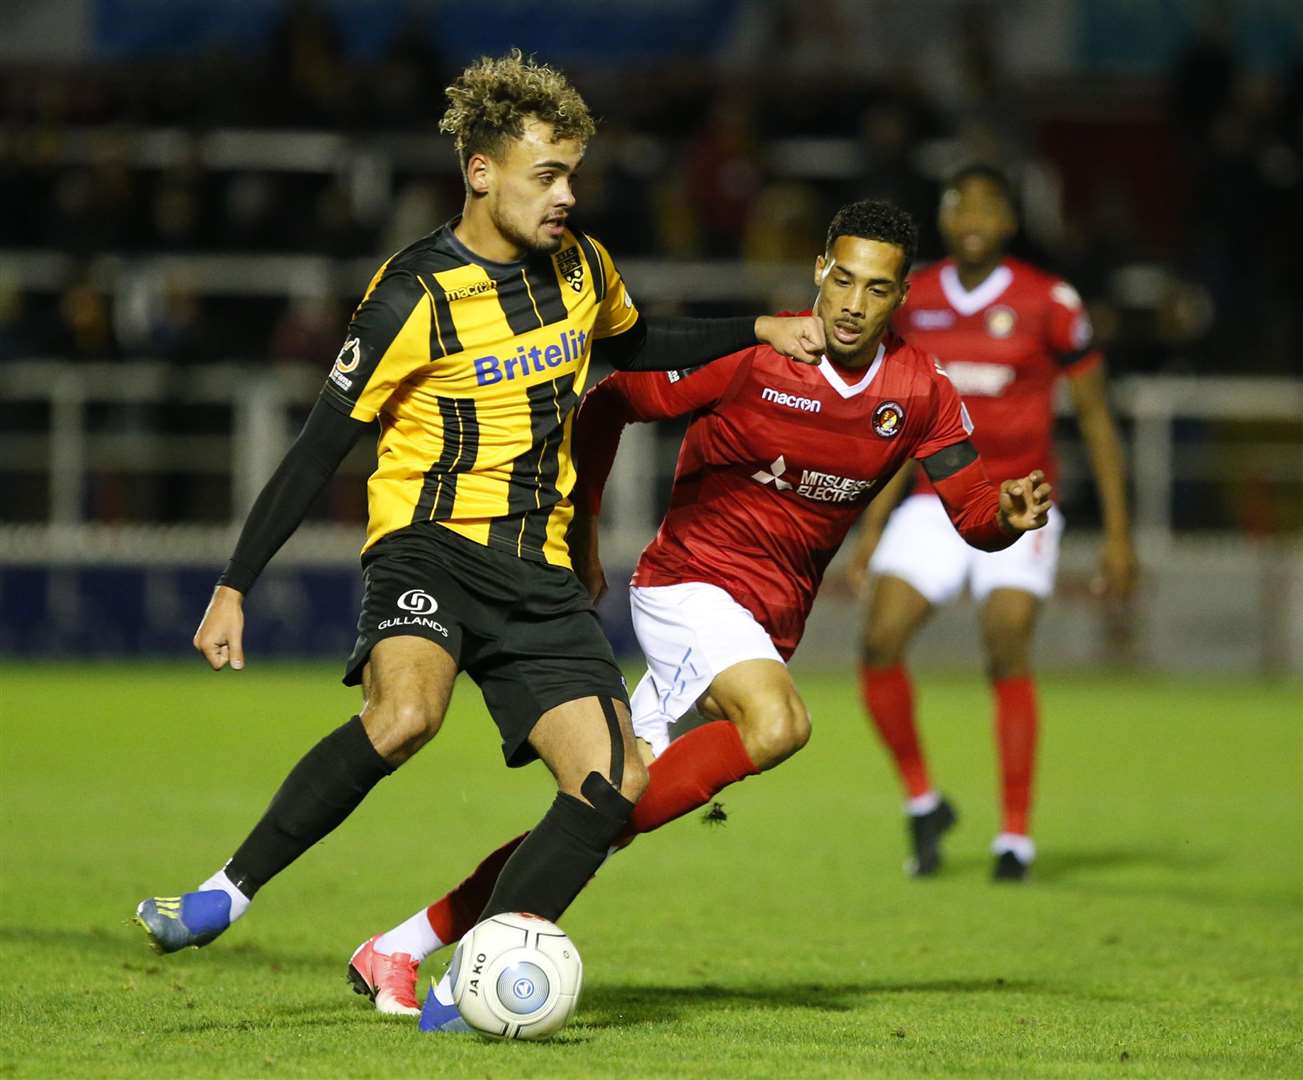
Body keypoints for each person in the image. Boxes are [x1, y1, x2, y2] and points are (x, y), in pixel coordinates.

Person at [132, 50, 826, 999]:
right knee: (407, 714)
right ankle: (225, 893)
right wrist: (233, 584)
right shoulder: (410, 294)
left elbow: (632, 344)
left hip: (538, 574)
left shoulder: (581, 268)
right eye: (547, 175)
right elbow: (314, 448)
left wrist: (756, 328)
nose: (566, 196)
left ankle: (472, 982)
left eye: (572, 174)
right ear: (481, 173)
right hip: (429, 545)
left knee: (613, 783)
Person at [351, 199, 1055, 1030]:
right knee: (778, 723)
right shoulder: (753, 356)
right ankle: (514, 933)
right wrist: (580, 536)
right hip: (689, 586)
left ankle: (402, 945)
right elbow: (608, 403)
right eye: (841, 279)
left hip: (762, 623)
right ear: (817, 273)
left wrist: (1004, 518)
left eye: (875, 289)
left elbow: (971, 511)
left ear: (900, 298)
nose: (852, 304)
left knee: (606, 807)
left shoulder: (921, 390)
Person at [848, 164, 1137, 882]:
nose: (971, 216)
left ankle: (1014, 835)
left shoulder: (1049, 301)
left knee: (1004, 640)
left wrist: (1119, 534)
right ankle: (922, 800)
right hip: (934, 498)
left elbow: (1097, 416)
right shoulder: (913, 299)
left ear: (1009, 221)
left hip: (1021, 501)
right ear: (943, 218)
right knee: (879, 640)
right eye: (957, 204)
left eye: (986, 205)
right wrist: (871, 523)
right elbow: (895, 415)